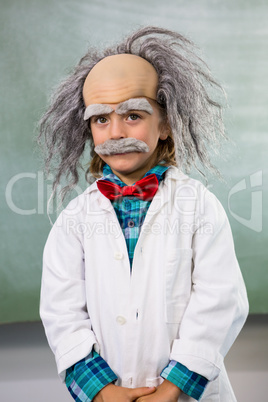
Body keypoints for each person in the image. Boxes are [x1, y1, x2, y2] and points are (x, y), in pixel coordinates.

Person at [39, 26, 249, 402]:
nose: (115, 131)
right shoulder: (74, 219)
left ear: (166, 124)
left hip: (185, 393)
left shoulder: (199, 206)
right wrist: (102, 391)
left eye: (133, 114)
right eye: (101, 119)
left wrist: (171, 389)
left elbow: (221, 301)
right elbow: (61, 314)